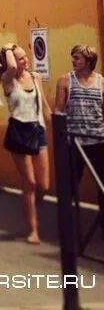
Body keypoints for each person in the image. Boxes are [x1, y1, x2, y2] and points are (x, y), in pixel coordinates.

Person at [0, 43, 51, 244]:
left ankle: (28, 206)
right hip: (19, 131)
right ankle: (33, 230)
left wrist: (54, 125)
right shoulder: (7, 79)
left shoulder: (35, 77)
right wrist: (7, 49)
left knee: (44, 185)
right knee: (29, 183)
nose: (25, 61)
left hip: (37, 130)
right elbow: (11, 67)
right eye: (21, 58)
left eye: (26, 57)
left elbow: (44, 106)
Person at [56, 43, 104, 230]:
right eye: (73, 56)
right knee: (69, 186)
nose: (73, 60)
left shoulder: (101, 82)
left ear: (89, 61)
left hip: (98, 140)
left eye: (77, 57)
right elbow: (58, 111)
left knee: (102, 184)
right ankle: (67, 227)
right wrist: (61, 141)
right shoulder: (65, 80)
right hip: (74, 142)